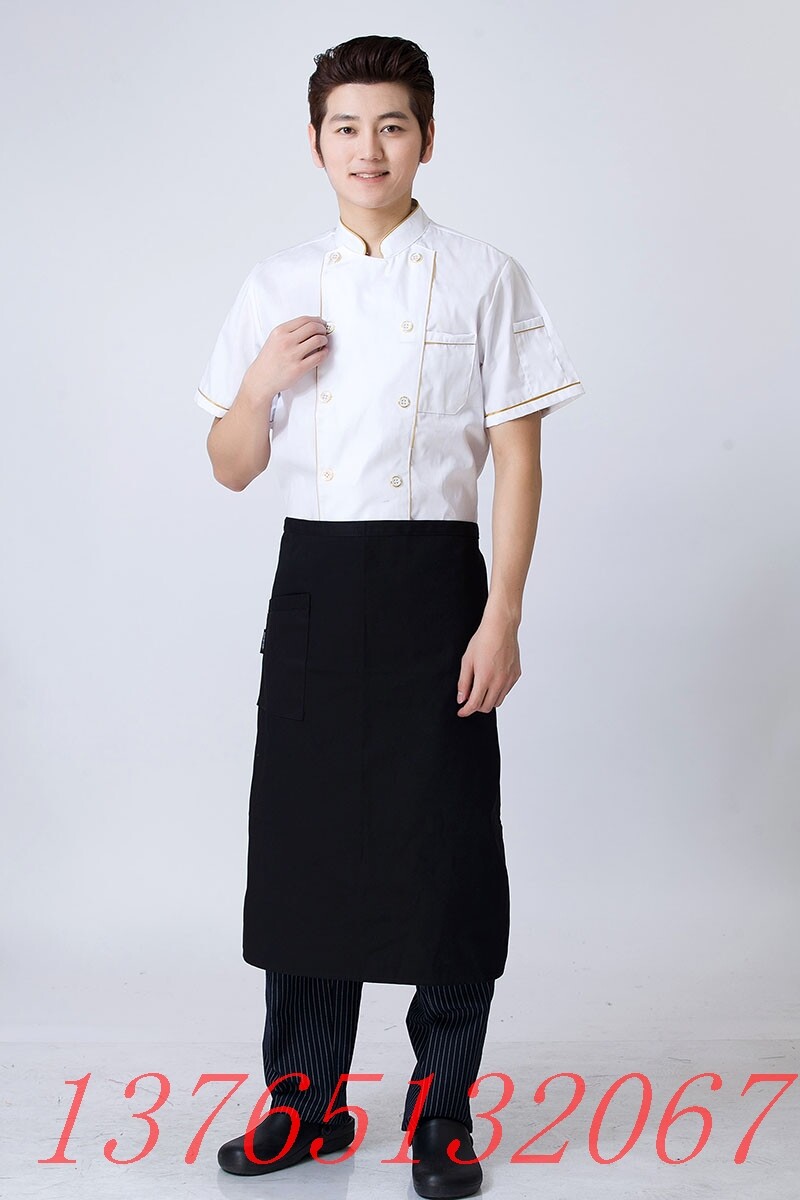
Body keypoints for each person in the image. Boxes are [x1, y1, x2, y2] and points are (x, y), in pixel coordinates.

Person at [193, 34, 585, 1199]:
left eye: (392, 126)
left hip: (436, 586)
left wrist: (501, 614)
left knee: (447, 856)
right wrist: (259, 384)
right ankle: (304, 1103)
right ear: (315, 142)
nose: (369, 148)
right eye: (346, 127)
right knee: (306, 852)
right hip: (316, 584)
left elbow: (518, 464)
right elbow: (229, 466)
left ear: (425, 138)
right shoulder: (275, 285)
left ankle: (439, 1110)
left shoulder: (483, 275)